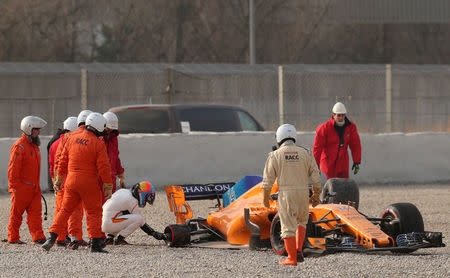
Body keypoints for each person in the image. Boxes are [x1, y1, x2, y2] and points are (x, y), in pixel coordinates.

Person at [42, 112, 113, 253]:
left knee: (64, 210)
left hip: (71, 181)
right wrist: (108, 186)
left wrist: (59, 178)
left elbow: (62, 160)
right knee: (94, 212)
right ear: (98, 126)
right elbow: (104, 167)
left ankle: (51, 237)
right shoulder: (98, 143)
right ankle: (95, 244)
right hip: (89, 182)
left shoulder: (71, 138)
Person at [262, 124, 321, 266]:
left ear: (279, 138)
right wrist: (316, 195)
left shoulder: (275, 155)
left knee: (287, 227)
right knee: (302, 222)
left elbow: (267, 180)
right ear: (294, 136)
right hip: (303, 194)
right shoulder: (306, 153)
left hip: (287, 195)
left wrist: (265, 197)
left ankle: (291, 258)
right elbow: (316, 177)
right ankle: (298, 250)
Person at [48, 116, 88, 248]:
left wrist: (55, 181)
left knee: (61, 211)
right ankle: (76, 239)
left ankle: (60, 238)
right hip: (71, 182)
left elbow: (52, 165)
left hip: (59, 182)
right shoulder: (73, 142)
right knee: (75, 212)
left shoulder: (54, 144)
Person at [7, 116, 47, 244]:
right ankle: (13, 238)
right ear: (29, 129)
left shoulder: (34, 147)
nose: (38, 132)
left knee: (36, 214)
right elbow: (13, 169)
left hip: (34, 188)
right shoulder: (20, 146)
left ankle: (38, 237)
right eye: (36, 130)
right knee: (16, 214)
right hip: (22, 188)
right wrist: (15, 188)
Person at [102, 181, 167, 245]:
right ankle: (120, 240)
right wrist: (154, 233)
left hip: (101, 222)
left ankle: (110, 238)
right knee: (138, 219)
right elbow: (141, 222)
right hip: (108, 224)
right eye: (148, 196)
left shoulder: (123, 191)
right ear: (142, 194)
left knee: (120, 214)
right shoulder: (132, 200)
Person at [313, 102, 361, 179]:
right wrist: (315, 164)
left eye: (343, 115)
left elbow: (355, 145)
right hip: (328, 162)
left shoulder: (351, 127)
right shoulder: (324, 128)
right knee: (332, 185)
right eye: (338, 115)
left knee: (345, 185)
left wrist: (357, 161)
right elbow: (317, 148)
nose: (341, 118)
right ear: (333, 115)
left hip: (343, 162)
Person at [103, 112, 125, 194]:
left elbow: (116, 157)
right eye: (108, 129)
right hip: (99, 180)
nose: (110, 131)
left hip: (111, 179)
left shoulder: (114, 138)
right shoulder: (98, 139)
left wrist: (121, 175)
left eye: (112, 129)